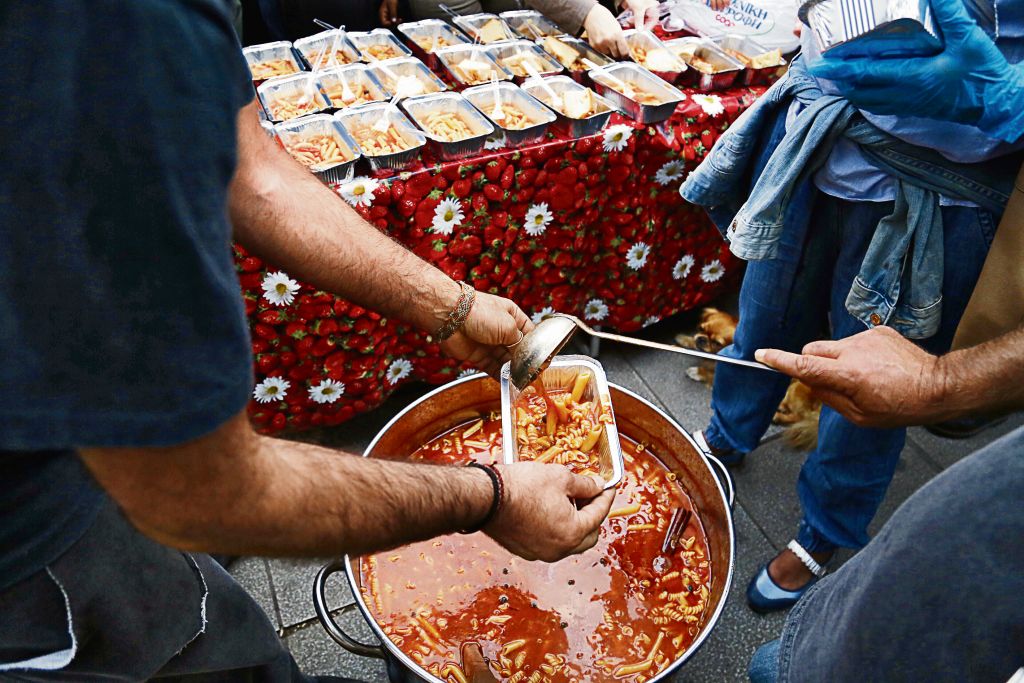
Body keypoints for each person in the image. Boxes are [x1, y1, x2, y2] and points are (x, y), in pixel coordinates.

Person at [0, 1, 615, 680]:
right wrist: (493, 497)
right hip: (32, 549)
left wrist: (452, 306)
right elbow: (201, 490)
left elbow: (250, 167)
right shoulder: (96, 30)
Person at [679, 0, 1024, 613]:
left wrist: (1015, 99)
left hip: (941, 188)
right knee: (763, 321)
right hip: (820, 136)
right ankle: (727, 438)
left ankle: (824, 533)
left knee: (872, 386)